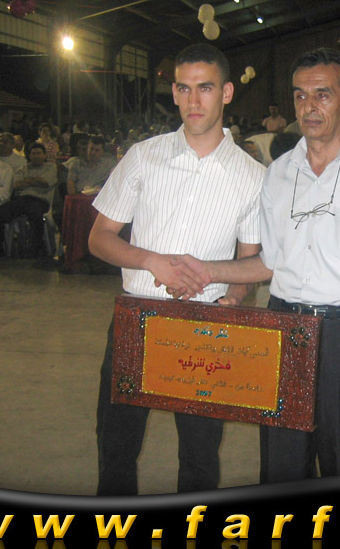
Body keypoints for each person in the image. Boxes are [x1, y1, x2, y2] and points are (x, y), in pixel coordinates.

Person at [171, 47, 340, 483]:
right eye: (300, 96)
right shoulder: (279, 173)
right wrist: (208, 269)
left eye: (323, 95)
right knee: (282, 465)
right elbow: (270, 263)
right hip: (284, 332)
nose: (309, 107)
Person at [88, 43, 266, 495]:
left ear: (226, 92)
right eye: (184, 89)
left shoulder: (252, 177)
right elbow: (99, 237)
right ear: (173, 93)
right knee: (116, 447)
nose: (193, 100)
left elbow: (251, 265)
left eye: (205, 88)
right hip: (136, 318)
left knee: (200, 457)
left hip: (204, 325)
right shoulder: (143, 157)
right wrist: (152, 261)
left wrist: (232, 295)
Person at [0, 142, 57, 263]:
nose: (36, 156)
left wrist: (27, 181)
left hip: (40, 200)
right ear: (29, 155)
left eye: (39, 153)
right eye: (33, 154)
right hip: (22, 199)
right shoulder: (22, 169)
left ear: (45, 155)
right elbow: (16, 185)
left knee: (35, 213)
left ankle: (36, 248)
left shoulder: (51, 167)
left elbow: (45, 182)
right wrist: (36, 181)